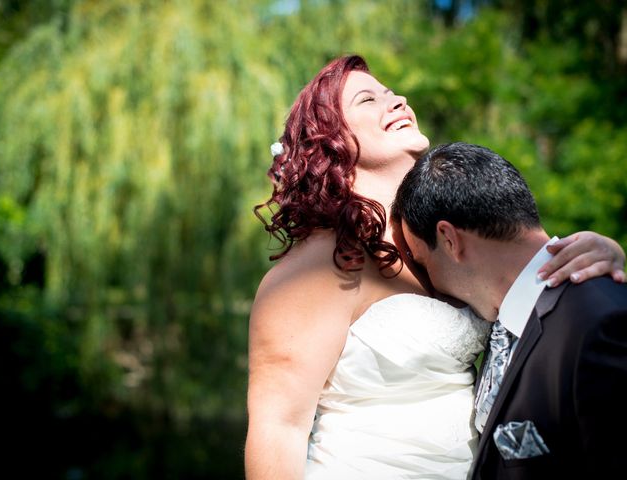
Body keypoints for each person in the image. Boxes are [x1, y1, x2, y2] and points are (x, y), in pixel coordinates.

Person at [245, 55, 626, 479]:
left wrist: (600, 255)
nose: (398, 100)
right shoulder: (320, 264)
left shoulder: (447, 234)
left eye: (392, 93)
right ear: (329, 140)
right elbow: (279, 428)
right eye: (368, 99)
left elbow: (529, 294)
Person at [392, 142, 627, 479]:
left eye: (424, 263)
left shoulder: (600, 323)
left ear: (449, 240)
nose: (432, 284)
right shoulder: (502, 323)